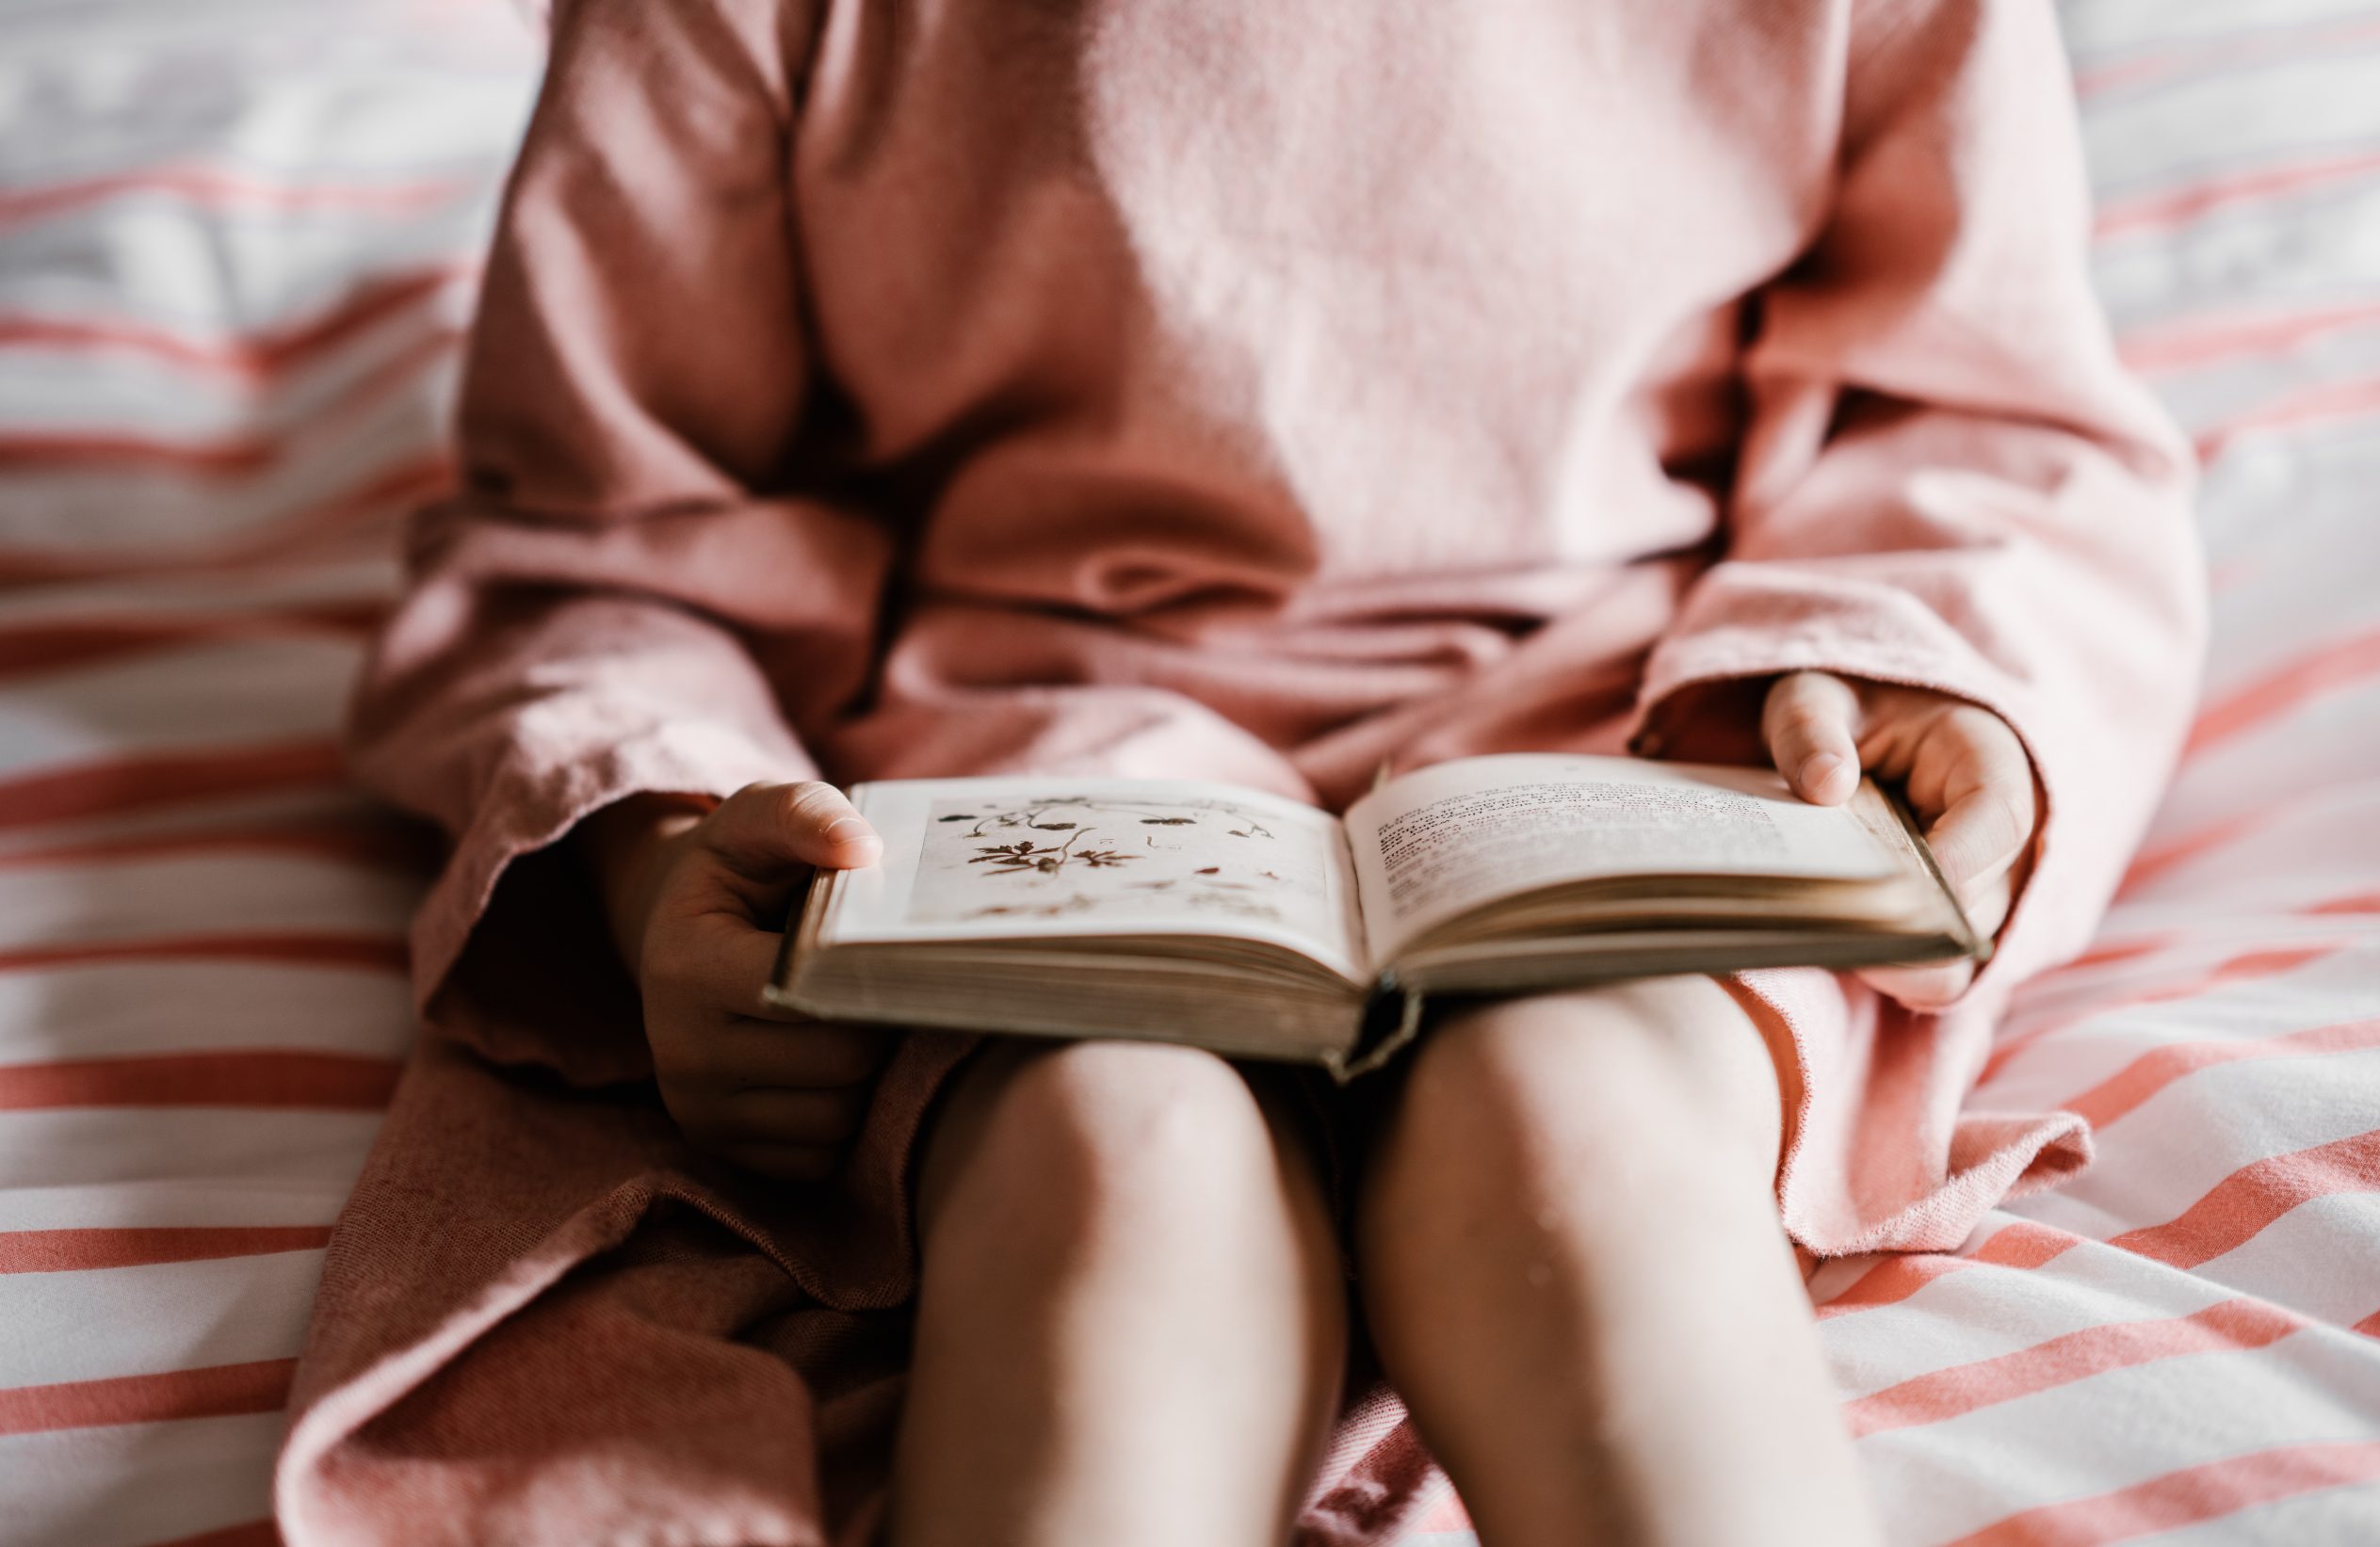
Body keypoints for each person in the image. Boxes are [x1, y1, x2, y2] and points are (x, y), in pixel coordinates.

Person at [275, 2, 2205, 1543]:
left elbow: (1974, 410)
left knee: (1578, 1129)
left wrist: (1917, 679)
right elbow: (608, 542)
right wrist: (662, 855)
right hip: (1008, 755)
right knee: (1114, 1161)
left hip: (1644, 726)